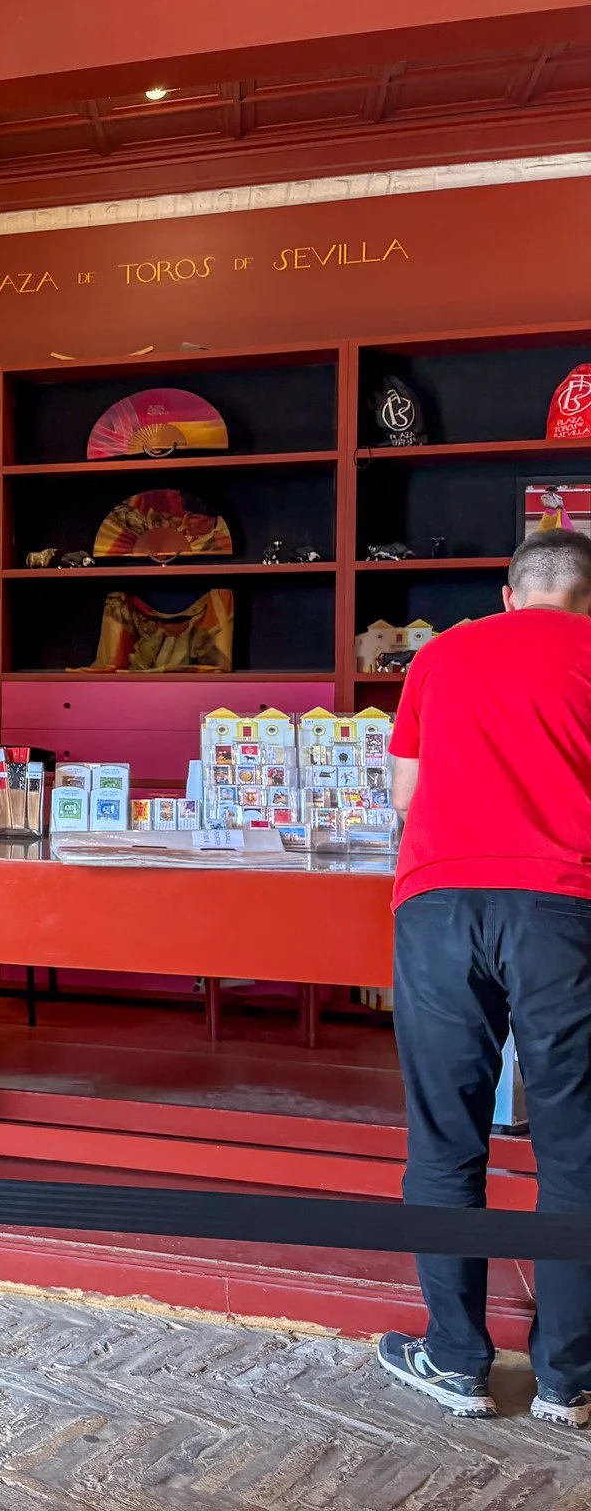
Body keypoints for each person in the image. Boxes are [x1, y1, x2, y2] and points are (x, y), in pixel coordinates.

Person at [377, 528, 591, 1429]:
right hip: (566, 908)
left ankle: (457, 1361)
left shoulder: (442, 654)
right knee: (576, 1148)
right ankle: (567, 1381)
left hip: (439, 905)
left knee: (444, 1137)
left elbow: (401, 794)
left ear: (510, 595)